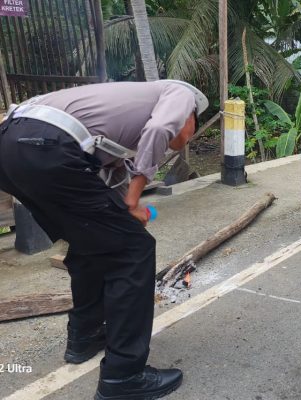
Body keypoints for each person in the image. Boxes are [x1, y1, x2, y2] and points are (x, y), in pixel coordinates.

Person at [0, 80, 208, 399]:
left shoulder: (116, 124)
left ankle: (85, 337)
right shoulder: (179, 94)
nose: (189, 135)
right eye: (193, 126)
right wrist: (135, 200)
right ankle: (123, 378)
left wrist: (126, 211)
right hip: (46, 145)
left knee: (90, 246)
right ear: (192, 113)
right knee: (134, 252)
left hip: (12, 148)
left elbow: (111, 187)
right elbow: (161, 129)